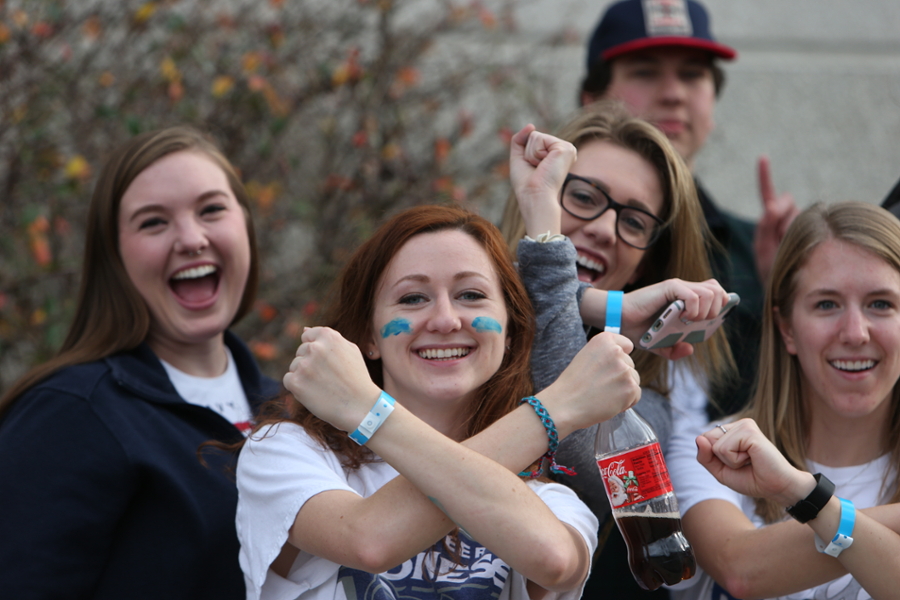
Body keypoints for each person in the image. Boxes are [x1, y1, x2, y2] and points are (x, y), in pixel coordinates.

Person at [233, 205, 660, 600]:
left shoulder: (546, 495)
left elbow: (552, 559)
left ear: (509, 334)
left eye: (471, 295)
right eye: (412, 298)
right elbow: (368, 540)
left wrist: (368, 410)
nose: (444, 320)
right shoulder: (285, 450)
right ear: (369, 335)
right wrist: (557, 408)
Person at [0, 126, 280, 599]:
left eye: (211, 209)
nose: (191, 239)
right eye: (153, 222)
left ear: (246, 226)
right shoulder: (70, 413)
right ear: (114, 258)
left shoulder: (292, 408)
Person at [502, 101, 734, 600]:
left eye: (634, 222)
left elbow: (573, 442)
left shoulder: (647, 402)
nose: (606, 229)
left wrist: (552, 244)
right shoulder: (446, 327)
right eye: (583, 196)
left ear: (645, 266)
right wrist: (607, 306)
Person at [667, 201, 900, 600]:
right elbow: (741, 570)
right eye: (826, 304)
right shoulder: (718, 451)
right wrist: (805, 495)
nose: (856, 333)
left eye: (881, 304)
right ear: (787, 328)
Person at [578, 0, 800, 418]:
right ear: (593, 98)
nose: (674, 93)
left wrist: (786, 298)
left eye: (692, 74)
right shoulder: (544, 234)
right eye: (645, 72)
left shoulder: (754, 247)